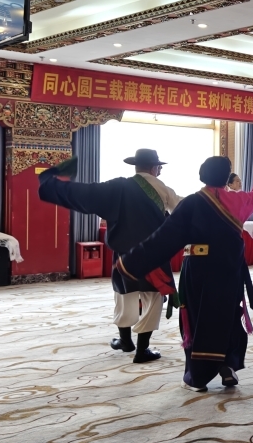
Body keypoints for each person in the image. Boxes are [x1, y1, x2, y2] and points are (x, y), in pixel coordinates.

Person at [117, 157, 253, 391]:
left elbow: (163, 239)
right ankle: (227, 366)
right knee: (228, 314)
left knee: (198, 318)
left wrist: (128, 263)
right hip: (229, 270)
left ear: (202, 175)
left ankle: (197, 378)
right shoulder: (240, 200)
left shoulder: (191, 203)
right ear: (226, 178)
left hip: (199, 270)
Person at [38, 149, 181, 363]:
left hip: (125, 256)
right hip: (153, 256)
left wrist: (51, 184)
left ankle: (125, 341)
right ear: (154, 168)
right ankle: (142, 350)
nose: (160, 170)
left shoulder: (118, 186)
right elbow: (182, 208)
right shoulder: (163, 189)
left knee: (124, 295)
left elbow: (85, 193)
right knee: (152, 298)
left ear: (136, 166)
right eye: (159, 166)